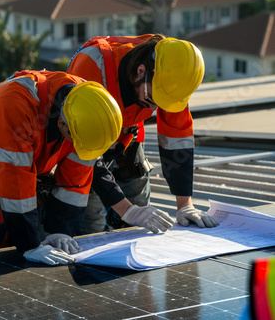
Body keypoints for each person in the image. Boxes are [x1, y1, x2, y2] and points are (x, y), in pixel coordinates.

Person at [0, 70, 124, 266]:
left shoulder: (87, 108)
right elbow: (14, 182)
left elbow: (74, 183)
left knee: (32, 243)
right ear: (62, 123)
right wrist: (30, 245)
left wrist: (59, 230)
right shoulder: (14, 105)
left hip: (18, 167)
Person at [66, 34, 219, 233]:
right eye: (153, 100)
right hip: (86, 141)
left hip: (129, 135)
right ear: (141, 72)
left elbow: (177, 139)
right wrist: (127, 210)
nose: (156, 108)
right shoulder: (93, 66)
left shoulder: (172, 74)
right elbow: (83, 151)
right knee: (92, 221)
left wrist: (185, 204)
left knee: (141, 219)